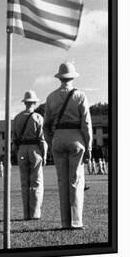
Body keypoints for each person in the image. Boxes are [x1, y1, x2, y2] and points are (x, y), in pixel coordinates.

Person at [44, 62, 93, 229]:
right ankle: (76, 221)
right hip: (76, 139)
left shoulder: (51, 97)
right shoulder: (80, 96)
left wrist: (52, 141)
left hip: (58, 138)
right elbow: (86, 123)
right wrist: (89, 145)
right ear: (72, 77)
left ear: (59, 78)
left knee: (62, 181)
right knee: (76, 181)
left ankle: (65, 222)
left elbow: (46, 125)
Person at [13, 90, 47, 220]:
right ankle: (35, 213)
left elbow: (14, 138)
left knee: (24, 182)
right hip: (34, 149)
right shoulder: (38, 117)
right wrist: (44, 155)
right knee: (36, 182)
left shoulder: (17, 118)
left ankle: (26, 214)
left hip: (21, 149)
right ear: (34, 102)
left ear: (25, 103)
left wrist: (17, 152)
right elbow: (42, 138)